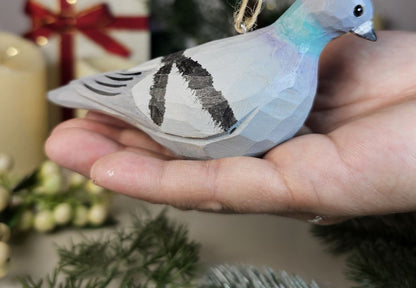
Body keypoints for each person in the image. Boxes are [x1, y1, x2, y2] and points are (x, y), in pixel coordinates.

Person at [46, 31, 416, 224]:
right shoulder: (282, 78)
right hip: (155, 95)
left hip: (167, 78)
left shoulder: (294, 72)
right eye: (356, 16)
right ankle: (90, 92)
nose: (364, 29)